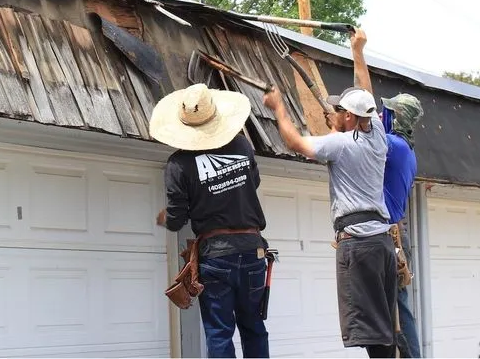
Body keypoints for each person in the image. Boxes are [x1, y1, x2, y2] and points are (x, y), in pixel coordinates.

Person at [263, 28, 398, 359]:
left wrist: (278, 108)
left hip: (359, 246)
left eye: (339, 110)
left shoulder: (340, 144)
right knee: (383, 328)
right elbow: (365, 92)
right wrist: (358, 51)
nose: (334, 113)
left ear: (349, 116)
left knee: (370, 331)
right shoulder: (378, 134)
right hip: (381, 244)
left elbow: (296, 143)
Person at [152, 83, 270, 358]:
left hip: (216, 257)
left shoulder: (179, 164)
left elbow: (176, 220)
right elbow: (253, 183)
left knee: (219, 333)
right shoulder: (242, 145)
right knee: (254, 328)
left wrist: (164, 217)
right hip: (252, 250)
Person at [380, 93, 424, 358]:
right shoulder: (404, 147)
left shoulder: (393, 146)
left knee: (399, 309)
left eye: (387, 111)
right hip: (395, 232)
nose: (381, 115)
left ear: (396, 118)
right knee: (393, 307)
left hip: (392, 235)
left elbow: (362, 137)